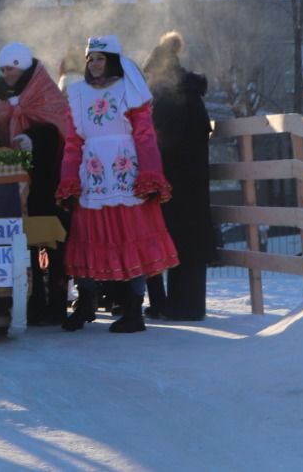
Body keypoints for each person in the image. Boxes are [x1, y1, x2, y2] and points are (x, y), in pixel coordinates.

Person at [58, 35, 178, 333]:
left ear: (112, 60)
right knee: (88, 239)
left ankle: (134, 311)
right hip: (93, 176)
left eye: (99, 58)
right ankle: (86, 304)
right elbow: (73, 142)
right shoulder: (77, 94)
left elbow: (145, 135)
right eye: (90, 59)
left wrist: (150, 174)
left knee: (130, 238)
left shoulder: (131, 90)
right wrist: (69, 178)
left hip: (127, 176)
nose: (94, 64)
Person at [0, 43, 73, 325]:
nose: (6, 74)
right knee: (27, 244)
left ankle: (58, 302)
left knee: (51, 242)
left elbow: (58, 126)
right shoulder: (5, 97)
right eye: (2, 70)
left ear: (21, 67)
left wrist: (35, 140)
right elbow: (2, 125)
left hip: (48, 179)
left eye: (10, 68)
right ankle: (34, 300)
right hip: (19, 182)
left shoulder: (45, 92)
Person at [142, 31, 217, 321]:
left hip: (179, 182)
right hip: (191, 181)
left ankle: (183, 306)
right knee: (186, 244)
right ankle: (182, 304)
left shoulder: (170, 96)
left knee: (182, 243)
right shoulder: (186, 92)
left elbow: (163, 141)